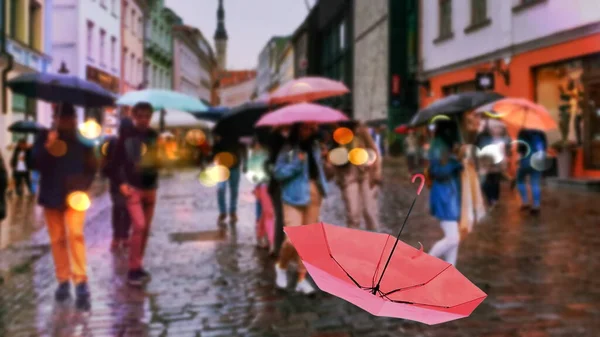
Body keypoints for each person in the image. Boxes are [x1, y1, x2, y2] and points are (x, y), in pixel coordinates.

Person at [32, 103, 98, 310]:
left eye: (69, 119)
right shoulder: (45, 136)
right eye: (61, 118)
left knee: (75, 234)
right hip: (51, 195)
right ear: (55, 118)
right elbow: (34, 163)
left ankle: (80, 280)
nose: (66, 122)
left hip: (75, 196)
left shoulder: (82, 140)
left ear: (74, 119)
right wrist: (46, 148)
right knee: (57, 239)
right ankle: (62, 280)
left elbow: (92, 167)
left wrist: (83, 187)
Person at [273, 123, 329, 295]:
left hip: (314, 194)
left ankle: (301, 279)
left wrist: (325, 160)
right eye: (304, 128)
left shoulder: (316, 147)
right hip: (293, 196)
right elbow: (278, 173)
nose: (308, 131)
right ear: (297, 129)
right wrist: (297, 164)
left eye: (311, 128)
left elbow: (320, 172)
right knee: (292, 240)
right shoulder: (288, 149)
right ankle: (281, 266)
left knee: (306, 242)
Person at [113, 102, 162, 286]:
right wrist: (122, 183)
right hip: (133, 188)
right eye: (140, 116)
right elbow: (113, 165)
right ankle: (133, 269)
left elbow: (159, 163)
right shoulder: (126, 136)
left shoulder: (154, 136)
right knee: (139, 226)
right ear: (134, 116)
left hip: (151, 187)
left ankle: (138, 264)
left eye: (147, 116)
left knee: (146, 230)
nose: (143, 119)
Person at [332, 121, 382, 231]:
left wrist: (376, 172)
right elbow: (333, 158)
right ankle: (353, 242)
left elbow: (374, 151)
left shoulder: (361, 131)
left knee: (369, 211)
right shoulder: (337, 133)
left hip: (366, 173)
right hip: (348, 175)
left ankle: (375, 240)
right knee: (353, 213)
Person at [427, 121, 463, 266]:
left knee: (454, 236)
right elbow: (437, 171)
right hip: (444, 195)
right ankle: (428, 260)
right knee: (453, 238)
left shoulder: (446, 145)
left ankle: (451, 268)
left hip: (450, 194)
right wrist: (455, 163)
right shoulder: (438, 145)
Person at [212, 134, 247, 224]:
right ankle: (222, 212)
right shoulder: (219, 135)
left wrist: (245, 163)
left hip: (235, 167)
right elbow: (214, 151)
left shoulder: (238, 137)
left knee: (234, 190)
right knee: (221, 189)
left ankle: (232, 211)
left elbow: (244, 149)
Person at [516, 128, 547, 215]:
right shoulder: (541, 132)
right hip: (538, 160)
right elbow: (545, 147)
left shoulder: (522, 132)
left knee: (520, 179)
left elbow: (520, 148)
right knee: (535, 183)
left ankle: (525, 202)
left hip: (526, 160)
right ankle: (536, 205)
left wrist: (518, 159)